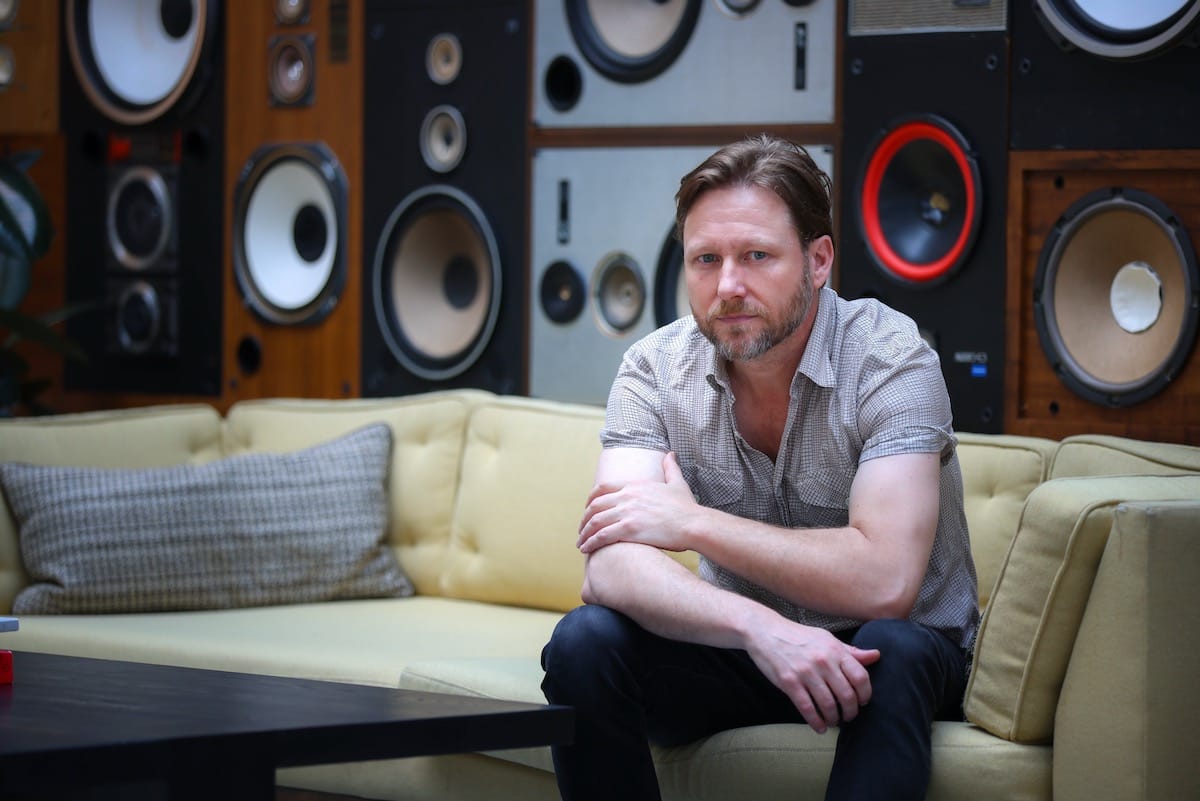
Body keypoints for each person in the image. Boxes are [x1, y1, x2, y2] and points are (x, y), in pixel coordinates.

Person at [540, 134, 979, 801]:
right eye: (705, 259)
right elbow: (608, 564)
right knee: (583, 640)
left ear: (819, 259)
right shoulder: (654, 370)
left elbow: (887, 579)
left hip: (887, 658)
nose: (728, 286)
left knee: (900, 644)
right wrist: (762, 628)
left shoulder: (893, 360)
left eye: (757, 256)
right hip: (744, 652)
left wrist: (694, 523)